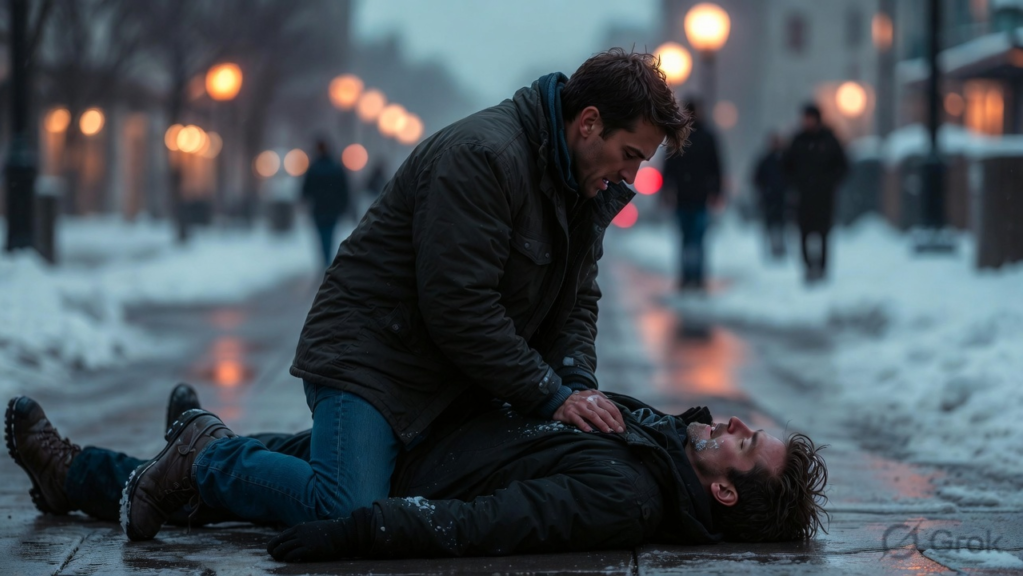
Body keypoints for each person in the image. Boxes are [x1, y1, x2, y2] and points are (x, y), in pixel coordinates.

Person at [118, 48, 693, 542]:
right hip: (372, 359)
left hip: (444, 377)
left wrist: (576, 392)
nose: (631, 178)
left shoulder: (581, 187)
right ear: (588, 123)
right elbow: (460, 309)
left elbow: (577, 304)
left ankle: (157, 467)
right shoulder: (485, 157)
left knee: (374, 481)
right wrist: (549, 395)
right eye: (631, 156)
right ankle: (202, 453)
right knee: (347, 508)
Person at [5, 384, 829, 561]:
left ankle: (192, 450)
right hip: (423, 432)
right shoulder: (662, 444)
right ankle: (72, 475)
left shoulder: (629, 495)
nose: (733, 422)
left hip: (403, 478)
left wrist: (362, 526)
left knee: (218, 469)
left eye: (746, 442)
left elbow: (490, 524)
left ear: (724, 489)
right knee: (193, 484)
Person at [660, 100, 724, 291]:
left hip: (687, 196)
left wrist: (666, 190)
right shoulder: (706, 137)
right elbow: (716, 166)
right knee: (695, 240)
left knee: (688, 239)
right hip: (695, 196)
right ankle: (694, 277)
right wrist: (715, 191)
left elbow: (669, 167)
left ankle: (690, 277)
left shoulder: (681, 136)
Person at [783, 104, 848, 283]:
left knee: (824, 235)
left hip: (824, 197)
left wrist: (829, 182)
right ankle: (808, 268)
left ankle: (822, 269)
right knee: (803, 234)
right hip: (803, 198)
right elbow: (786, 167)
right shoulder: (798, 141)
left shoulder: (829, 140)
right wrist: (796, 183)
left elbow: (842, 166)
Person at [301, 139, 351, 268]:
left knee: (322, 236)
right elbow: (344, 189)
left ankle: (325, 260)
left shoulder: (313, 168)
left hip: (319, 209)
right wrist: (343, 206)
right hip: (332, 210)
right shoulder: (336, 167)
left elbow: (305, 190)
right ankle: (327, 260)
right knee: (330, 234)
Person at [752, 132, 789, 260]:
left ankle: (781, 248)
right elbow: (756, 179)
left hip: (782, 199)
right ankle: (774, 249)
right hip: (769, 199)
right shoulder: (766, 160)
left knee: (782, 225)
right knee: (771, 226)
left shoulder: (785, 159)